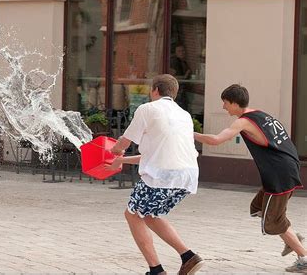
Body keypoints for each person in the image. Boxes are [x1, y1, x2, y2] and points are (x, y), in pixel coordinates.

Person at [194, 84, 306, 273]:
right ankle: (292, 237)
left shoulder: (243, 122)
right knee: (258, 208)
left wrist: (188, 134)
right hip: (287, 167)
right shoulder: (261, 114)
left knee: (273, 223)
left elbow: (216, 140)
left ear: (234, 103)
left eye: (225, 103)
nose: (223, 107)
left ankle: (303, 257)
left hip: (280, 174)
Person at [105, 74, 203, 275]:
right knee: (150, 215)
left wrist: (115, 151)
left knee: (132, 214)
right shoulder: (184, 114)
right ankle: (188, 257)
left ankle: (156, 270)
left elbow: (125, 141)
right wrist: (122, 160)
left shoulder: (147, 109)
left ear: (155, 90)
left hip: (162, 176)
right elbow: (156, 155)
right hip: (187, 176)